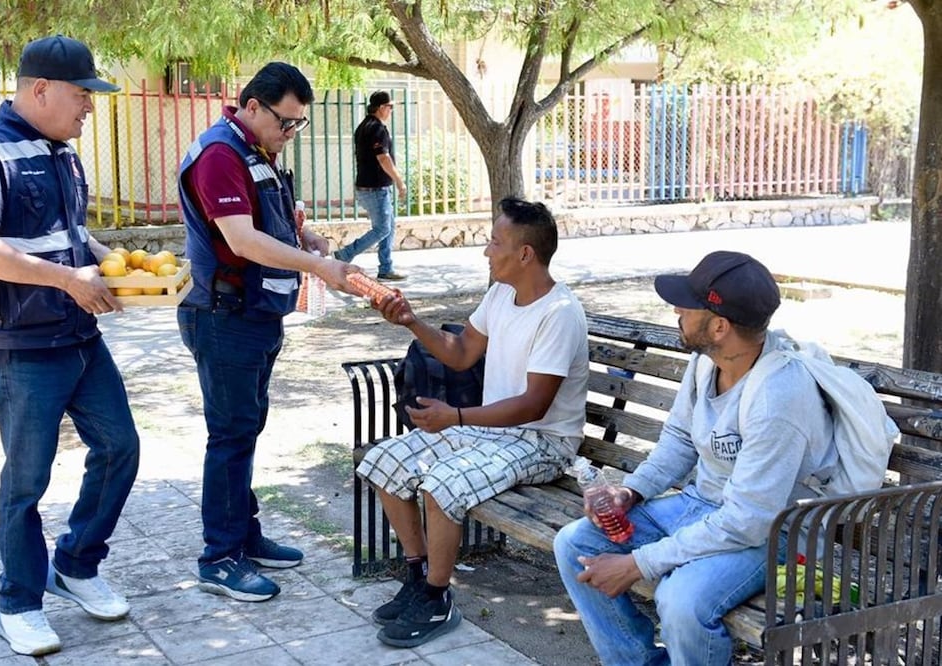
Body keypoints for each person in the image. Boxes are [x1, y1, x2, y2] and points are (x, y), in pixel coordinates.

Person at [0, 35, 140, 657]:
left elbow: (70, 235)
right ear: (40, 90)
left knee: (120, 447)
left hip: (79, 334)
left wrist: (118, 265)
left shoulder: (62, 153)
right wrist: (67, 279)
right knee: (26, 480)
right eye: (82, 95)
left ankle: (77, 564)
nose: (89, 107)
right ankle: (19, 602)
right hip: (21, 345)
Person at [553, 250, 835, 666]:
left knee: (681, 602)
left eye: (687, 306)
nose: (676, 311)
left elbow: (747, 521)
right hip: (702, 507)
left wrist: (637, 563)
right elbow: (680, 438)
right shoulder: (708, 360)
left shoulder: (779, 396)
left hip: (771, 534)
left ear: (719, 326)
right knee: (575, 542)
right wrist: (631, 492)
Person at [356, 197, 589, 648]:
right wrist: (412, 322)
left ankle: (438, 598)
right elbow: (461, 353)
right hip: (494, 432)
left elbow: (533, 406)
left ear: (525, 254)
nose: (486, 250)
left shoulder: (559, 314)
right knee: (385, 461)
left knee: (441, 482)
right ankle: (418, 578)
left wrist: (455, 417)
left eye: (494, 241)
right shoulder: (501, 292)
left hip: (543, 443)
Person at [177, 62, 359, 603]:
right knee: (230, 434)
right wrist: (317, 266)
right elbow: (243, 239)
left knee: (247, 427)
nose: (290, 133)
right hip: (222, 315)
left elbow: (276, 218)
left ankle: (244, 534)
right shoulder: (218, 156)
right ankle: (220, 557)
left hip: (257, 313)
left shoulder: (256, 151)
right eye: (286, 121)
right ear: (252, 106)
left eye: (298, 124)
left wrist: (312, 238)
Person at [333, 90, 407, 281]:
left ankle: (386, 267)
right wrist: (399, 182)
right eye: (389, 107)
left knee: (388, 226)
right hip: (374, 189)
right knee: (383, 229)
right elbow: (383, 158)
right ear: (381, 108)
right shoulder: (376, 129)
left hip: (373, 187)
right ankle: (345, 254)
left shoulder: (365, 126)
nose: (391, 110)